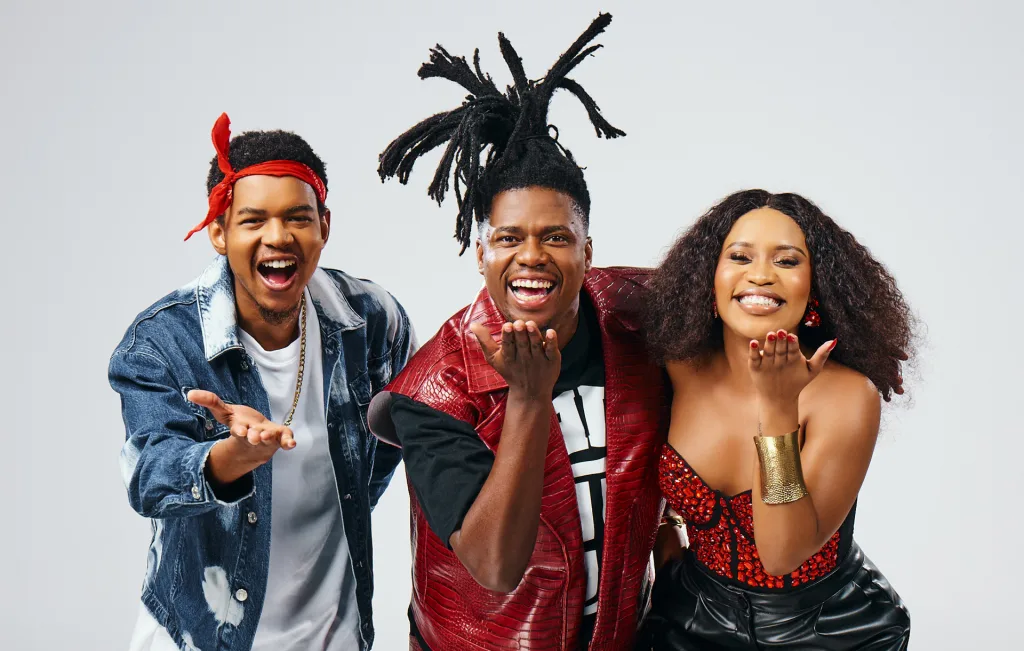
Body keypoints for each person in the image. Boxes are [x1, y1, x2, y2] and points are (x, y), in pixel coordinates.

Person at [367, 13, 670, 651]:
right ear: (480, 253)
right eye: (508, 238)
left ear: (588, 252)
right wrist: (529, 398)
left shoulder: (635, 317)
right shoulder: (435, 389)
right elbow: (494, 565)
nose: (531, 256)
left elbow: (738, 287)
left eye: (556, 237)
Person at [109, 114, 414, 651]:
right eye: (253, 221)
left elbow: (399, 436)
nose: (278, 237)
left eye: (298, 218)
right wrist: (228, 459)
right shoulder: (162, 340)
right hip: (200, 638)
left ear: (324, 226)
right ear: (219, 232)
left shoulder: (371, 320)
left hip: (336, 637)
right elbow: (148, 475)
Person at [639, 189, 913, 650]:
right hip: (689, 618)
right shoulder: (677, 367)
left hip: (828, 630)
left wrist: (778, 409)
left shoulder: (848, 395)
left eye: (787, 261)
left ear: (816, 286)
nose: (761, 275)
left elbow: (782, 554)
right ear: (708, 277)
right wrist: (666, 546)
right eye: (739, 257)